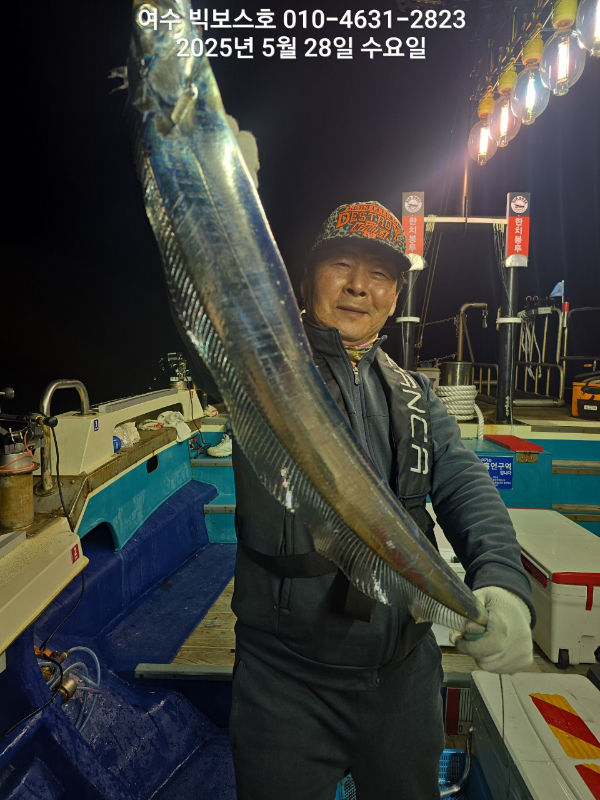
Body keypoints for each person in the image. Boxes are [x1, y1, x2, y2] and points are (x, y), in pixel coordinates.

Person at [188, 201, 535, 800]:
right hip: (285, 685)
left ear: (395, 296)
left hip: (402, 677)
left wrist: (501, 579)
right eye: (341, 264)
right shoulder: (258, 371)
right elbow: (212, 289)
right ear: (305, 280)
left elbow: (464, 485)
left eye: (379, 274)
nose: (357, 286)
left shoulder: (416, 394)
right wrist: (219, 207)